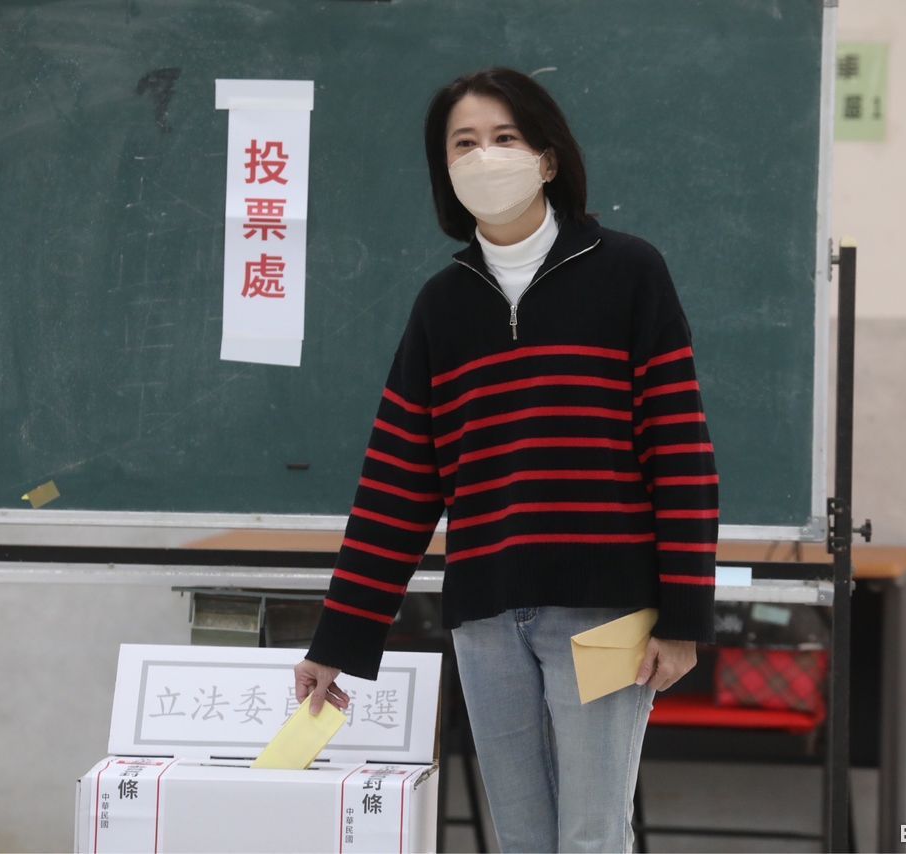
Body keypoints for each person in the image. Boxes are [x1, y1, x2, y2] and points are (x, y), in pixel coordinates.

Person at [294, 66, 719, 853]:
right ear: (445, 170)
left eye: (504, 137)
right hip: (486, 615)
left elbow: (680, 452)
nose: (484, 156)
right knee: (521, 839)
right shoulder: (442, 304)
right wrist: (338, 640)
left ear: (547, 158)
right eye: (464, 143)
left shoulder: (629, 273)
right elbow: (397, 483)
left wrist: (686, 617)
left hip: (605, 611)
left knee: (591, 836)